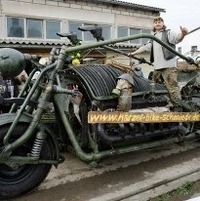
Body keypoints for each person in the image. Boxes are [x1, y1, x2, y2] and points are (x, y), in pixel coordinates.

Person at [128, 16, 188, 108]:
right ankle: (163, 102)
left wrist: (183, 34)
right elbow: (145, 47)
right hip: (157, 67)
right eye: (155, 22)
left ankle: (178, 107)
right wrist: (133, 53)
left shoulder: (168, 33)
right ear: (153, 25)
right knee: (154, 86)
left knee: (172, 87)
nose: (158, 23)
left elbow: (177, 38)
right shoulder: (153, 37)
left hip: (168, 66)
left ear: (163, 24)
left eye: (160, 21)